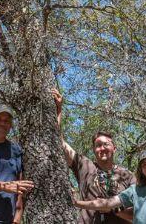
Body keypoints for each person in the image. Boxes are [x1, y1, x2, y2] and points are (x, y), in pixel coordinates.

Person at [52, 89, 136, 223]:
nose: (102, 148)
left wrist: (112, 209)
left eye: (105, 144)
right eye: (97, 145)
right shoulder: (85, 166)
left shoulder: (128, 176)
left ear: (114, 148)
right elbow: (59, 142)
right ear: (94, 150)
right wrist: (59, 109)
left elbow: (137, 215)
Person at [74, 149, 146, 224]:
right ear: (141, 170)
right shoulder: (134, 191)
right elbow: (106, 203)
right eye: (144, 164)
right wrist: (77, 203)